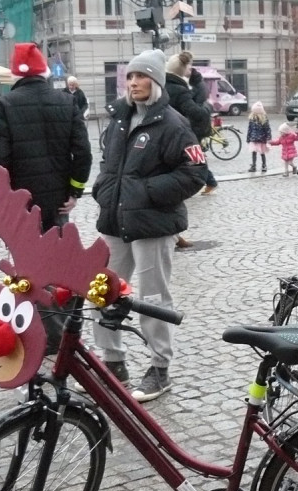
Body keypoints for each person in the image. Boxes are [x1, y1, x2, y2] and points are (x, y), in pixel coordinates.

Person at [90, 49, 207, 401]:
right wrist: (103, 189)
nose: (133, 82)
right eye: (129, 77)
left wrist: (146, 192)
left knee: (153, 297)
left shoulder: (173, 124)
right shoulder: (119, 120)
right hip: (114, 221)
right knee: (102, 290)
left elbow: (195, 173)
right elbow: (109, 165)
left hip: (153, 225)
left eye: (140, 76)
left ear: (156, 81)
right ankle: (112, 362)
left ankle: (160, 367)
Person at [0, 43, 93, 353]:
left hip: (21, 208)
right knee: (61, 267)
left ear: (14, 72)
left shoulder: (4, 105)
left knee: (30, 271)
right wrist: (74, 190)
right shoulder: (66, 102)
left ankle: (47, 336)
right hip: (58, 202)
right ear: (43, 71)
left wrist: (3, 203)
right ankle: (68, 330)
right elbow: (84, 154)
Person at [165, 51, 213, 213]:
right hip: (180, 132)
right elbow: (196, 112)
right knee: (193, 159)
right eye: (188, 66)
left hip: (166, 132)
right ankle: (205, 181)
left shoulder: (161, 85)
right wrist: (208, 106)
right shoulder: (180, 90)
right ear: (182, 69)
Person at [188, 67, 218, 195]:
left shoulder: (196, 87)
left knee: (195, 156)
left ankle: (210, 181)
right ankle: (208, 182)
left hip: (196, 127)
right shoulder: (200, 85)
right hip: (198, 126)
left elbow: (192, 104)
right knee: (194, 156)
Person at [246, 101, 272, 172]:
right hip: (261, 139)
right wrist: (268, 137)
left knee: (254, 152)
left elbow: (250, 129)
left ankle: (254, 166)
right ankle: (264, 165)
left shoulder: (253, 119)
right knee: (262, 153)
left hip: (254, 139)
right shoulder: (263, 118)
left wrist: (248, 138)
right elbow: (268, 129)